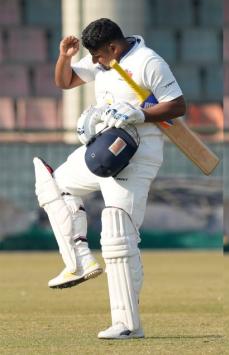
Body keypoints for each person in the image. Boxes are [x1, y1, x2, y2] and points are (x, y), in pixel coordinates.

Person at [34, 18, 185, 339]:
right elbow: (65, 82)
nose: (95, 62)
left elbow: (177, 105)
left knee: (119, 235)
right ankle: (79, 261)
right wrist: (64, 56)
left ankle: (128, 325)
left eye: (99, 56)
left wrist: (141, 113)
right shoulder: (103, 63)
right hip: (102, 148)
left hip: (138, 153)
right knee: (54, 184)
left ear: (114, 48)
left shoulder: (149, 62)